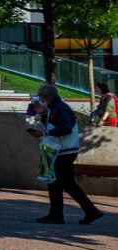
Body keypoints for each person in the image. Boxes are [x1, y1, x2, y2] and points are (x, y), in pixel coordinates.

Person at [34, 83, 101, 225]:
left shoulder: (60, 108)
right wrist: (42, 113)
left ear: (45, 97)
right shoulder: (54, 108)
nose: (39, 99)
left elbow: (66, 129)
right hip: (58, 150)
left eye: (40, 97)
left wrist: (45, 132)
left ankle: (62, 214)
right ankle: (85, 212)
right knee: (59, 183)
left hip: (62, 151)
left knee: (60, 183)